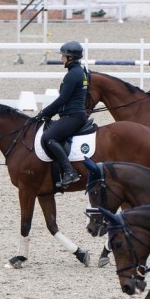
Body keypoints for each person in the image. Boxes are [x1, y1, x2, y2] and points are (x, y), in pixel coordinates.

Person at [38, 40, 89, 188]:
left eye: (64, 56)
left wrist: (45, 112)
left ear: (71, 58)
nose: (62, 58)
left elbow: (63, 99)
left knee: (48, 137)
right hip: (74, 114)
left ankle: (69, 171)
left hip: (73, 116)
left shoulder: (73, 75)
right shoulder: (79, 72)